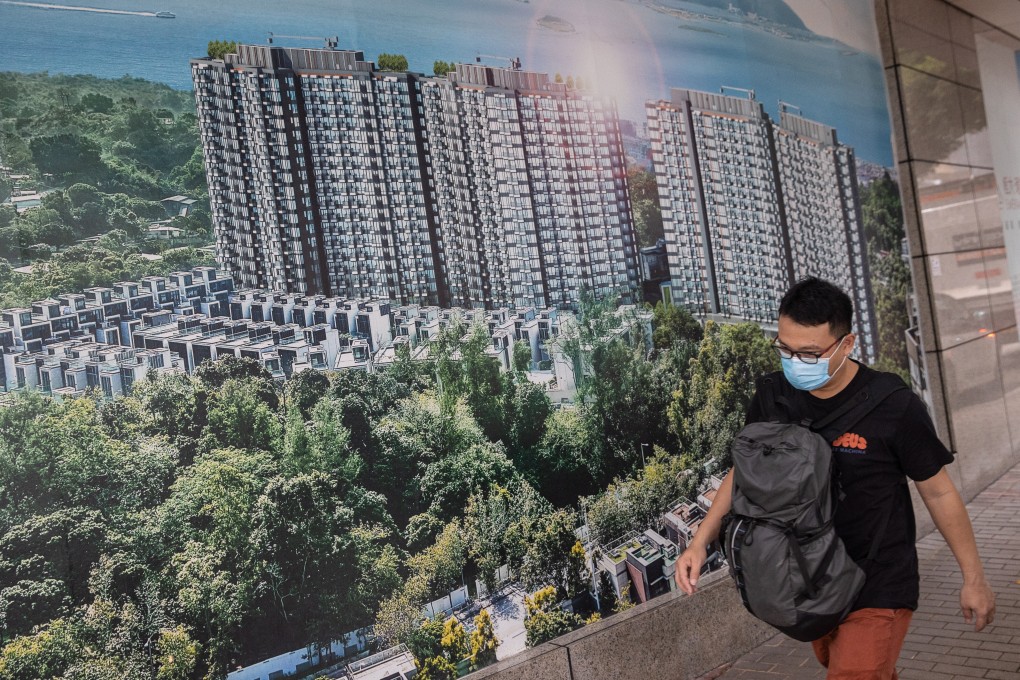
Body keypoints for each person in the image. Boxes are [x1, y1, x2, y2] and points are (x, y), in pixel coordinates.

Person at [674, 277, 996, 679]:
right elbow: (744, 474)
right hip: (808, 579)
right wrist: (700, 542)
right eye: (785, 348)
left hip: (876, 582)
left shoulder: (893, 406)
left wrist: (974, 578)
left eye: (809, 353)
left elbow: (939, 491)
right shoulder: (773, 397)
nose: (794, 362)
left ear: (847, 344)